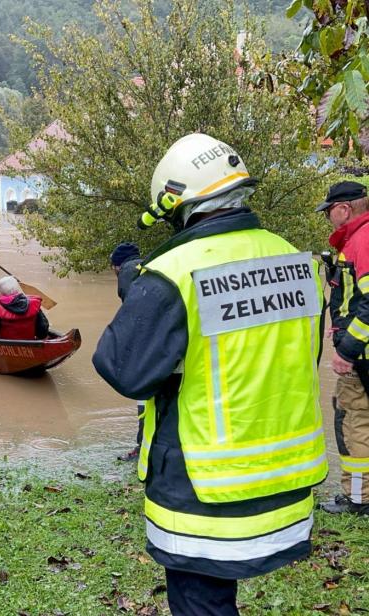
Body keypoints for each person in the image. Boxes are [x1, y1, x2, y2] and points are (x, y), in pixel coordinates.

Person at [92, 133, 328, 615]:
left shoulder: (172, 272)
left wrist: (138, 296)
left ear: (177, 203)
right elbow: (270, 353)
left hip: (206, 496)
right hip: (285, 485)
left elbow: (124, 371)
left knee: (202, 605)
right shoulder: (295, 259)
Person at [315, 180, 369, 515]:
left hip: (362, 355)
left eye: (329, 212)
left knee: (353, 422)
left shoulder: (361, 241)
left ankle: (358, 499)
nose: (328, 220)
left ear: (344, 209)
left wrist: (346, 350)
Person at [109, 242, 145, 462]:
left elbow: (132, 314)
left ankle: (142, 449)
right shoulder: (151, 265)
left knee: (145, 398)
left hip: (149, 344)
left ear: (116, 265)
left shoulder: (126, 275)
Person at [0, 276, 49, 340]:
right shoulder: (34, 305)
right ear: (17, 290)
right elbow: (43, 329)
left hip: (1, 345)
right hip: (29, 342)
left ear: (0, 292)